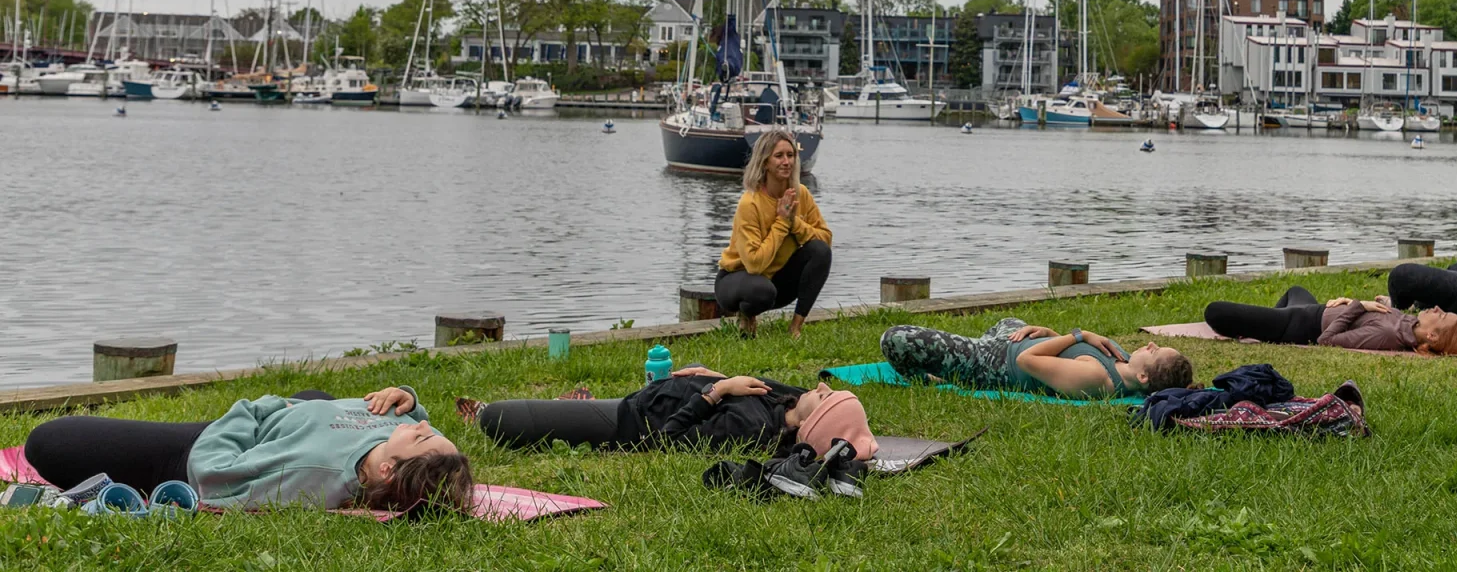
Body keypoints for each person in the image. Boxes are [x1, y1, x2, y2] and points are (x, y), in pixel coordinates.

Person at [24, 387, 471, 513]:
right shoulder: (400, 431)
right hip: (293, 418)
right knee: (315, 394)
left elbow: (215, 477)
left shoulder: (307, 473)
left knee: (51, 440)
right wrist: (406, 395)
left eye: (422, 434)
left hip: (203, 446)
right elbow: (414, 415)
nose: (424, 423)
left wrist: (253, 410)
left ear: (388, 470)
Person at [471, 367, 876, 460]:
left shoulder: (751, 427)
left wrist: (716, 392)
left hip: (630, 421)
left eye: (824, 397)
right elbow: (803, 399)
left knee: (498, 418)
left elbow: (670, 439)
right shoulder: (784, 401)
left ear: (809, 424)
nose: (820, 387)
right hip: (649, 395)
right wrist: (709, 376)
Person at [879, 318, 1192, 399]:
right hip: (1009, 342)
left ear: (1143, 378)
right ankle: (949, 353)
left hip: (989, 362)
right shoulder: (1122, 357)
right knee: (1009, 321)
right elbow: (1066, 356)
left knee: (895, 339)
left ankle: (931, 376)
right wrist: (1049, 333)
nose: (1150, 343)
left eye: (1155, 351)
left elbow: (1027, 362)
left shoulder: (1097, 380)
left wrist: (1079, 334)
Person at [716, 129, 832, 338]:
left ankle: (795, 327)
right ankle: (746, 316)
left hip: (776, 280)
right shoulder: (750, 202)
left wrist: (794, 222)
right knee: (761, 290)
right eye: (779, 156)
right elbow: (753, 264)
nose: (786, 161)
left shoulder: (801, 194)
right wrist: (781, 223)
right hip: (737, 280)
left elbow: (825, 239)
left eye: (790, 155)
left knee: (820, 251)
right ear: (764, 162)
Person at [1204, 285, 1457, 354]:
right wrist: (1355, 303)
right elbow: (1380, 312)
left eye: (1440, 315)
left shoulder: (1387, 337)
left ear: (1432, 336)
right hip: (1311, 309)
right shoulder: (1408, 323)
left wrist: (1357, 304)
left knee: (1214, 311)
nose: (1435, 308)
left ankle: (1262, 326)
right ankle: (1257, 322)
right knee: (1295, 291)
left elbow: (1328, 340)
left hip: (1301, 325)